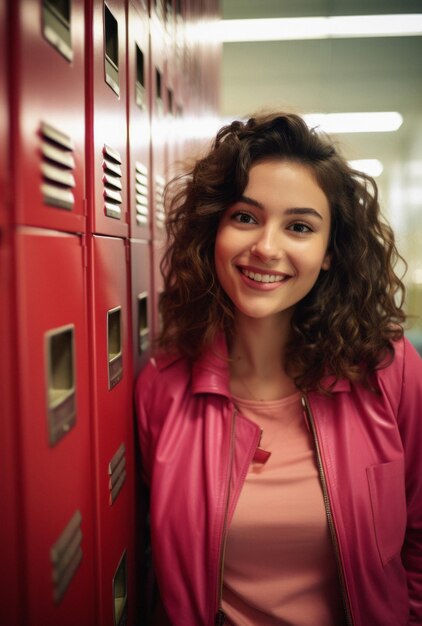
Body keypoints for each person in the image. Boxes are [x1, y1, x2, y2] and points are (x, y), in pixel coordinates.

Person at [135, 112, 422, 626]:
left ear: (330, 253)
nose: (266, 247)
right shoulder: (162, 386)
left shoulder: (389, 369)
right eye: (245, 217)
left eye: (298, 227)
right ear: (214, 228)